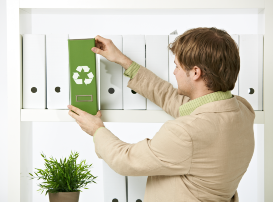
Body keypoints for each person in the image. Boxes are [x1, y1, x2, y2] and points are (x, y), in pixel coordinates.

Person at [67, 27, 255, 202]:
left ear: (195, 72)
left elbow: (126, 160)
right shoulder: (241, 111)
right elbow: (171, 99)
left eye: (177, 66)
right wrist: (124, 62)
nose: (174, 72)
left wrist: (96, 130)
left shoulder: (188, 132)